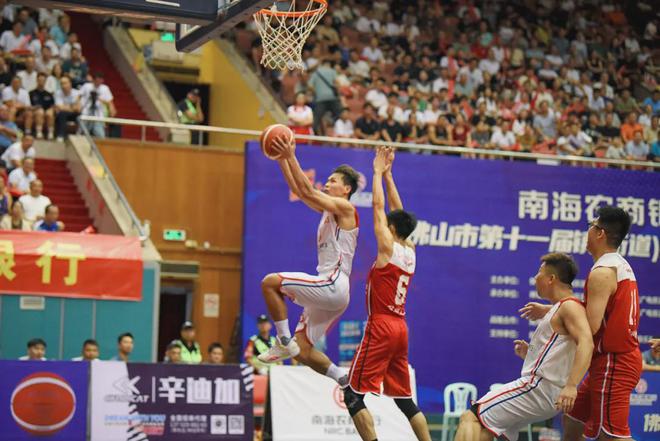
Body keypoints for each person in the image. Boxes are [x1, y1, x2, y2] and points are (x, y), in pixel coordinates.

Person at [521, 206, 641, 441]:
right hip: (609, 360)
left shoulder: (602, 272)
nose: (587, 231)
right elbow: (598, 312)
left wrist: (559, 314)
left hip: (614, 361)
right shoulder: (616, 265)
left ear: (600, 233)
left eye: (591, 226)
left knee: (612, 436)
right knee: (573, 416)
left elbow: (591, 326)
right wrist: (551, 309)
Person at [343, 147, 432, 441]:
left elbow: (380, 208)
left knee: (352, 395)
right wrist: (391, 175)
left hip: (381, 325)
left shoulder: (387, 246)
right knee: (404, 400)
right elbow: (398, 211)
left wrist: (378, 172)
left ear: (391, 228)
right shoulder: (410, 249)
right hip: (400, 327)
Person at [257, 134, 359, 390]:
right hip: (335, 292)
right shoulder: (329, 210)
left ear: (346, 189)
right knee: (302, 351)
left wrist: (290, 155)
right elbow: (301, 193)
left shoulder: (346, 209)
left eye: (332, 181)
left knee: (270, 283)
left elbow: (306, 190)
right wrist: (283, 159)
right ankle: (344, 379)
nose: (327, 183)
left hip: (332, 282)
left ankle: (282, 339)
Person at [457, 253, 593, 441]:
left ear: (551, 279)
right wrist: (531, 355)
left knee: (471, 416)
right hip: (544, 391)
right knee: (486, 430)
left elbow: (587, 342)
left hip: (539, 388)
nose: (535, 278)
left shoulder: (569, 307)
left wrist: (571, 386)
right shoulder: (561, 307)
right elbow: (561, 352)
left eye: (539, 273)